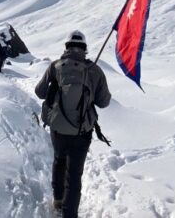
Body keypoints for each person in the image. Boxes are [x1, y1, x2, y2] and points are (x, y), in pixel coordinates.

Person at [35, 30, 111, 218]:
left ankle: (58, 200)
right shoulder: (94, 70)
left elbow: (40, 92)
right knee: (74, 175)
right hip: (82, 131)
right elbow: (104, 102)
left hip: (58, 128)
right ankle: (70, 214)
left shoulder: (55, 66)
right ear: (84, 48)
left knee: (59, 160)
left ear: (66, 47)